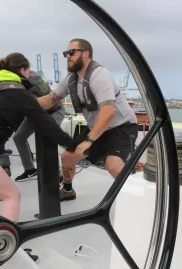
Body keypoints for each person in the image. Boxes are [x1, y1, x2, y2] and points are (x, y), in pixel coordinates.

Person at [0, 52, 74, 263]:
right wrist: (77, 146)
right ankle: (5, 252)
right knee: (11, 195)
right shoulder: (19, 93)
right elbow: (49, 127)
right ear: (22, 71)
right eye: (28, 71)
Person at [37, 38, 138, 201]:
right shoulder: (70, 79)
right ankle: (68, 190)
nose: (67, 56)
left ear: (86, 54)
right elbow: (50, 100)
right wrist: (24, 101)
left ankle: (138, 199)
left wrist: (89, 141)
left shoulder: (99, 75)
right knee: (68, 157)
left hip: (122, 127)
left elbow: (108, 111)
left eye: (71, 52)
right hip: (96, 127)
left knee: (112, 165)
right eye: (66, 53)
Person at [13, 70, 65, 182]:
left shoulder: (33, 80)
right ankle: (30, 170)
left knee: (48, 138)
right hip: (35, 114)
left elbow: (36, 102)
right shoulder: (13, 82)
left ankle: (58, 175)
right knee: (18, 138)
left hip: (54, 112)